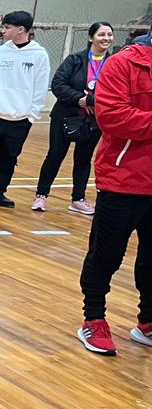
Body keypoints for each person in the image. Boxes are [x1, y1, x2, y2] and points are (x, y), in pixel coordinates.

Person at [76, 32, 152, 356]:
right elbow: (113, 117)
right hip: (122, 180)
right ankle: (93, 319)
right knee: (106, 255)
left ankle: (147, 322)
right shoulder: (122, 64)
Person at [0, 10, 50, 210]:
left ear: (21, 30)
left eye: (7, 27)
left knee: (9, 158)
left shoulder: (39, 55)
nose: (2, 31)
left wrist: (31, 116)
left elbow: (40, 87)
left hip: (21, 119)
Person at [32, 22, 113, 215]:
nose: (106, 38)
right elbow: (58, 85)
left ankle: (78, 199)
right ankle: (41, 195)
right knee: (55, 154)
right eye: (101, 34)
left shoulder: (114, 63)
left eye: (110, 35)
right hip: (66, 117)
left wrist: (93, 101)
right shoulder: (74, 60)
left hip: (93, 120)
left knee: (84, 159)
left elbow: (116, 90)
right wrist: (79, 99)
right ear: (91, 37)